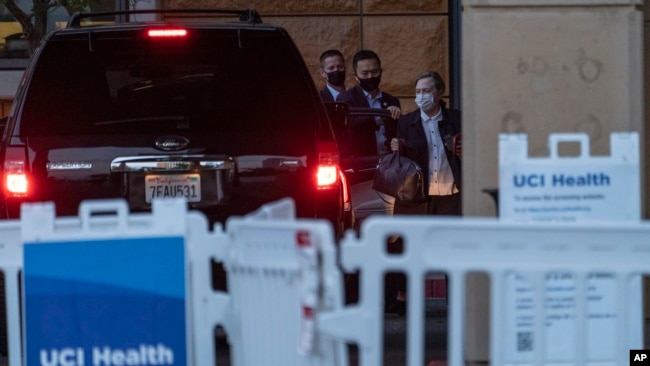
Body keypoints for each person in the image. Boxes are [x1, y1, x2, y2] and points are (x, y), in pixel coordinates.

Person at [388, 70, 462, 315]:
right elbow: (402, 163)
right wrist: (398, 148)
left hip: (451, 194)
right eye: (418, 91)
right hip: (418, 197)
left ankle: (456, 302)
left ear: (439, 93)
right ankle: (405, 299)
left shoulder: (456, 119)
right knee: (408, 246)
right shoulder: (406, 123)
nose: (422, 96)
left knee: (453, 250)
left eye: (427, 91)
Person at [336, 49, 401, 156]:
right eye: (365, 73)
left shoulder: (391, 101)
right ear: (355, 75)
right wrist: (382, 116)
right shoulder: (345, 99)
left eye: (374, 72)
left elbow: (399, 132)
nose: (370, 77)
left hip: (388, 162)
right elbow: (351, 125)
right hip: (360, 162)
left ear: (381, 71)